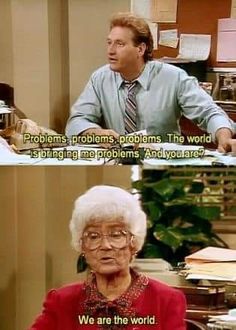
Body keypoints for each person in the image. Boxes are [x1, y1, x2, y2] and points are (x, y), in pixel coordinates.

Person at [65, 12, 236, 152]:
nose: (110, 50)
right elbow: (76, 121)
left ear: (140, 49)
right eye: (109, 43)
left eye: (119, 44)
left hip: (162, 164)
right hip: (118, 161)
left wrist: (224, 136)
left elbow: (209, 112)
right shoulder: (100, 78)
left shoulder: (174, 77)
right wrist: (94, 132)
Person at [29, 185, 186, 330]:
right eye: (93, 236)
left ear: (134, 243)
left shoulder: (167, 300)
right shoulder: (61, 301)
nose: (105, 245)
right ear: (82, 247)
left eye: (116, 235)